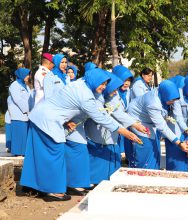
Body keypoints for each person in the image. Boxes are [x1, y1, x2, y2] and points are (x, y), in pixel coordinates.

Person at [20, 68, 141, 202]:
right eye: (102, 83)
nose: (104, 87)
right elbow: (101, 118)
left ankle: (43, 185)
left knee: (49, 153)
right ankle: (53, 190)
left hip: (51, 119)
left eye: (106, 84)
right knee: (54, 153)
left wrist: (68, 121)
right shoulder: (86, 96)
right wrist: (125, 132)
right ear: (94, 80)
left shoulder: (82, 84)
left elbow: (67, 105)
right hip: (46, 120)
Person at [85, 73, 146, 184]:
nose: (116, 91)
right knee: (98, 158)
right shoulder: (98, 98)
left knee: (109, 158)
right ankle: (94, 181)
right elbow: (106, 116)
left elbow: (117, 112)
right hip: (98, 131)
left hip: (110, 131)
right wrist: (126, 129)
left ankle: (104, 180)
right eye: (114, 88)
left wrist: (134, 124)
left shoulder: (111, 95)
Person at [127, 80, 188, 169]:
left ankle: (153, 173)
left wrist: (187, 131)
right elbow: (162, 126)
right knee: (146, 147)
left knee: (155, 150)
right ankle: (143, 174)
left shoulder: (165, 94)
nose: (173, 102)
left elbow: (176, 116)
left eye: (174, 100)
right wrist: (179, 143)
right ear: (165, 95)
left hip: (150, 122)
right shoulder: (153, 103)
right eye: (171, 100)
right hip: (139, 120)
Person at [165, 74, 188, 171]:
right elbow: (178, 116)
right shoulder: (178, 95)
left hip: (185, 129)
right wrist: (187, 131)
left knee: (183, 157)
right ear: (186, 87)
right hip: (175, 126)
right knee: (174, 156)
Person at [8, 68, 34, 156]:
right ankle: (18, 152)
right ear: (21, 75)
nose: (29, 77)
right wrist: (27, 109)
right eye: (27, 75)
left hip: (26, 114)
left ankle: (23, 152)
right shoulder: (14, 85)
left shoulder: (26, 86)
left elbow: (30, 98)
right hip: (18, 114)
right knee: (19, 134)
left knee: (24, 134)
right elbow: (17, 100)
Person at [112, 65, 135, 159]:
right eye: (124, 80)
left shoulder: (128, 91)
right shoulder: (112, 92)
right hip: (114, 123)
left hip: (124, 122)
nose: (126, 83)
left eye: (129, 81)